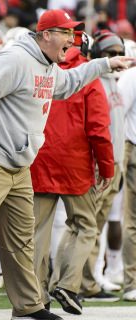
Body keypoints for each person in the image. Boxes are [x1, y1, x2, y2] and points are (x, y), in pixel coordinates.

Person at [0, 9, 133, 320]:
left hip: (19, 166)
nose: (71, 39)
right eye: (66, 33)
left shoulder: (47, 65)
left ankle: (27, 307)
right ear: (47, 35)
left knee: (21, 241)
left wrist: (104, 64)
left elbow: (67, 84)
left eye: (72, 33)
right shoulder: (15, 59)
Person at [30, 29, 116, 316]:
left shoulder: (40, 69)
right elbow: (99, 130)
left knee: (37, 233)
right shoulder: (86, 77)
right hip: (75, 163)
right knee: (86, 225)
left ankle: (36, 297)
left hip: (39, 157)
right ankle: (68, 284)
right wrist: (106, 167)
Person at [79, 30, 125, 302]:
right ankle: (83, 283)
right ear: (98, 56)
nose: (117, 58)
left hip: (115, 163)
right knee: (87, 228)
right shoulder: (95, 81)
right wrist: (102, 164)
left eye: (119, 53)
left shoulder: (114, 82)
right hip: (99, 165)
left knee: (96, 227)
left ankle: (89, 280)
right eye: (110, 53)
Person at [117, 54, 136, 302]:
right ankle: (132, 282)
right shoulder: (131, 77)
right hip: (132, 148)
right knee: (132, 220)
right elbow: (116, 116)